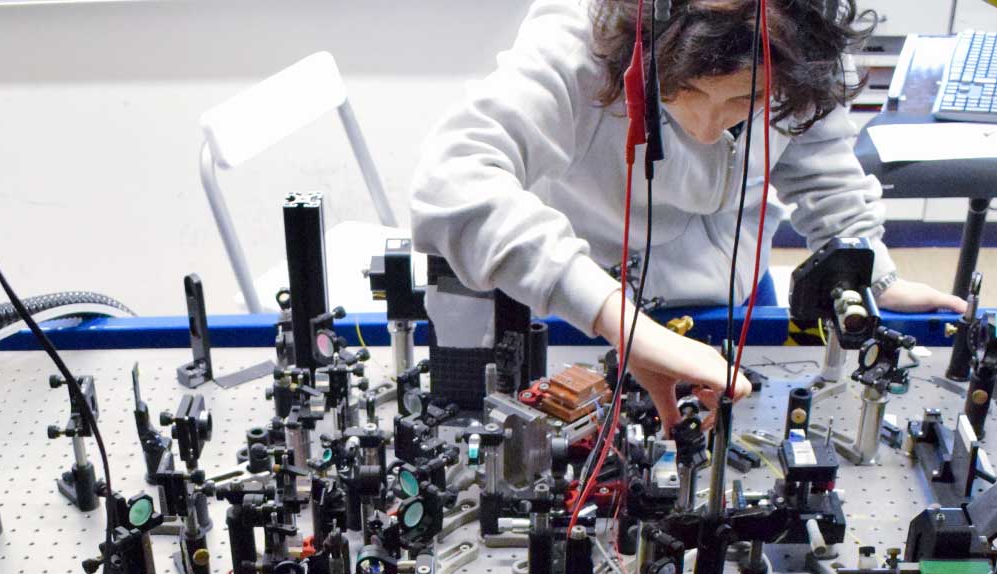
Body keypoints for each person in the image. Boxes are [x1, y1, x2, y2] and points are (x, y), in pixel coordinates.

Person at [410, 0, 965, 419]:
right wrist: (621, 323)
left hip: (737, 300)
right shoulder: (579, 40)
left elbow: (817, 154)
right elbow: (452, 181)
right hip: (587, 309)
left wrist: (868, 266)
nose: (705, 127)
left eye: (744, 101)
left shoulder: (796, 41)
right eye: (684, 94)